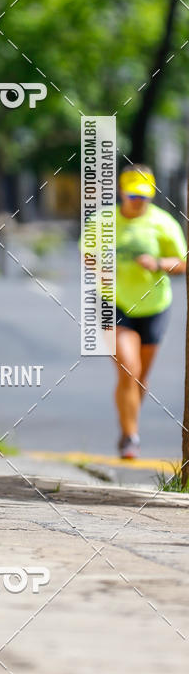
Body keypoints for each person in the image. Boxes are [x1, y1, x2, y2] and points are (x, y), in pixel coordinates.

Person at [86, 164, 186, 459]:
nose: (138, 202)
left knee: (140, 376)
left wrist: (158, 264)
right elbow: (87, 254)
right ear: (121, 192)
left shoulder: (163, 223)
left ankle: (128, 425)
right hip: (112, 302)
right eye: (133, 196)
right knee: (128, 368)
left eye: (144, 196)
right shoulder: (104, 220)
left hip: (154, 305)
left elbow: (182, 263)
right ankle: (131, 437)